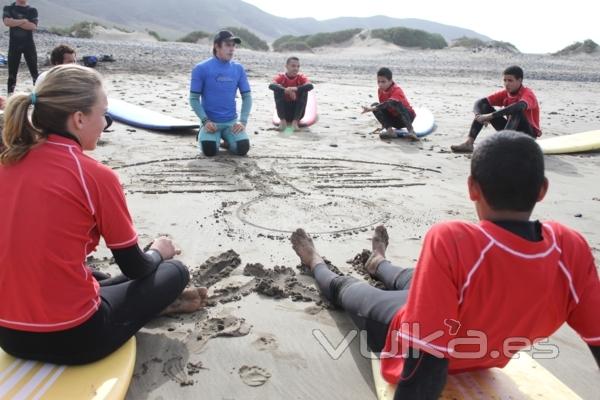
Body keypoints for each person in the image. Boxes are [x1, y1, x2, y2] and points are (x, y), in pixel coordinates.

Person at [290, 130, 600, 399]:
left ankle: (317, 260)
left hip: (399, 325)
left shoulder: (454, 240)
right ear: (543, 190)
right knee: (416, 279)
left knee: (346, 289)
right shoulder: (569, 248)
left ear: (472, 188)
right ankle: (378, 262)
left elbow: (426, 361)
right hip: (448, 313)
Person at [0, 64, 208, 365]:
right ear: (79, 119)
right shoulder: (95, 176)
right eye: (103, 113)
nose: (106, 122)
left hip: (9, 337)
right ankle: (149, 303)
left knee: (92, 275)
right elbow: (136, 267)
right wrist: (159, 252)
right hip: (76, 337)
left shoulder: (8, 161)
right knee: (174, 272)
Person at [189, 30, 252, 157]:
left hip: (231, 123)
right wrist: (205, 121)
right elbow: (194, 98)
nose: (232, 49)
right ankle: (206, 135)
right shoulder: (201, 68)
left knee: (242, 148)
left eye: (234, 45)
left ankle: (227, 140)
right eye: (228, 45)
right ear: (217, 46)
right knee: (210, 151)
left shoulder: (238, 69)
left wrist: (243, 122)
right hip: (211, 123)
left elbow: (247, 97)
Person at [451, 65, 541, 153]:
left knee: (516, 110)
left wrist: (490, 116)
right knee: (485, 107)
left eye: (510, 80)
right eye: (504, 80)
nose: (506, 84)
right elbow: (480, 102)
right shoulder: (505, 93)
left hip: (527, 137)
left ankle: (503, 144)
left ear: (519, 80)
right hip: (511, 133)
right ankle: (468, 143)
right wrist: (479, 116)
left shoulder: (528, 93)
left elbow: (519, 107)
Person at [361, 67, 417, 140]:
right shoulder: (380, 90)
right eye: (378, 82)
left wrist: (371, 109)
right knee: (375, 105)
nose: (380, 84)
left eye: (383, 82)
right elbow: (383, 107)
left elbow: (390, 103)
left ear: (390, 81)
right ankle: (390, 131)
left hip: (407, 118)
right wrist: (384, 124)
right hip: (394, 120)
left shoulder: (397, 90)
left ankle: (411, 131)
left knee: (395, 103)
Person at [3, 0, 39, 95]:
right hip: (14, 45)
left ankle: (39, 96)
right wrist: (23, 21)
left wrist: (14, 21)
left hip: (29, 45)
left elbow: (32, 26)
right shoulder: (9, 8)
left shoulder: (32, 10)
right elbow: (7, 22)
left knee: (34, 72)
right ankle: (10, 97)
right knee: (12, 74)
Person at [268, 56, 314, 132]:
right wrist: (285, 90)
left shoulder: (301, 77)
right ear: (286, 66)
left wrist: (294, 89)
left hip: (298, 113)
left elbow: (310, 86)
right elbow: (271, 85)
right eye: (293, 66)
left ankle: (295, 123)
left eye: (298, 66)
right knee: (277, 90)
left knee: (304, 90)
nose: (296, 68)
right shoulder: (281, 77)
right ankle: (283, 123)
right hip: (284, 112)